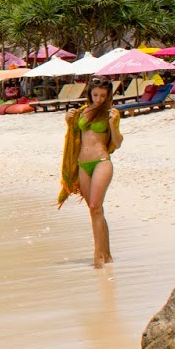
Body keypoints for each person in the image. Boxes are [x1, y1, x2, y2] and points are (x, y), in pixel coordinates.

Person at [58, 78, 123, 268]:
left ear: (109, 95)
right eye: (95, 95)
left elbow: (117, 143)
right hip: (82, 165)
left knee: (95, 206)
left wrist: (112, 124)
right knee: (95, 210)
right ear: (89, 93)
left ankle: (98, 256)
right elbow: (73, 135)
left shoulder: (112, 113)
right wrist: (68, 119)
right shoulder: (82, 112)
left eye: (103, 95)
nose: (99, 99)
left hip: (102, 162)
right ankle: (107, 254)